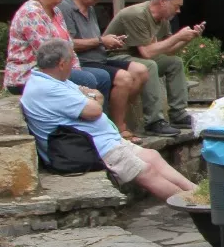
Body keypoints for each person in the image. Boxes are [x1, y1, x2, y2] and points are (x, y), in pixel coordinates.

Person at [21, 38, 197, 200]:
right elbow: (95, 109)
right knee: (147, 171)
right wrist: (91, 96)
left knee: (152, 155)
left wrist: (91, 96)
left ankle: (197, 192)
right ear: (62, 64)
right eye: (71, 60)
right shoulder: (47, 88)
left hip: (104, 140)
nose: (73, 64)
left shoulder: (55, 80)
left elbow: (94, 96)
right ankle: (192, 203)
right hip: (91, 148)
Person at [58, 0, 148, 140]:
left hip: (99, 58)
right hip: (82, 61)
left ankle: (116, 117)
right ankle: (119, 129)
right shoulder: (64, 8)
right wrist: (101, 41)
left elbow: (95, 39)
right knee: (123, 78)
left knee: (140, 71)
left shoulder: (90, 8)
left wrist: (109, 42)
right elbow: (68, 43)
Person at [5, 0, 112, 110]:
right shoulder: (31, 12)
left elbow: (68, 46)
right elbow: (48, 55)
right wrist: (75, 75)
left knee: (102, 76)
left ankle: (100, 120)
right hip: (29, 74)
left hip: (55, 70)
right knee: (87, 79)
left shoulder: (56, 10)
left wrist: (76, 69)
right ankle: (83, 120)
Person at [105, 0, 198, 137]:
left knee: (174, 62)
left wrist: (187, 39)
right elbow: (147, 52)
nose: (178, 11)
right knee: (149, 65)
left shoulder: (163, 19)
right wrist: (178, 36)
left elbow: (169, 50)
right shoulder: (136, 14)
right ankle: (154, 121)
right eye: (177, 6)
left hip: (136, 56)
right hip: (115, 56)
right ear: (163, 2)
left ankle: (178, 114)